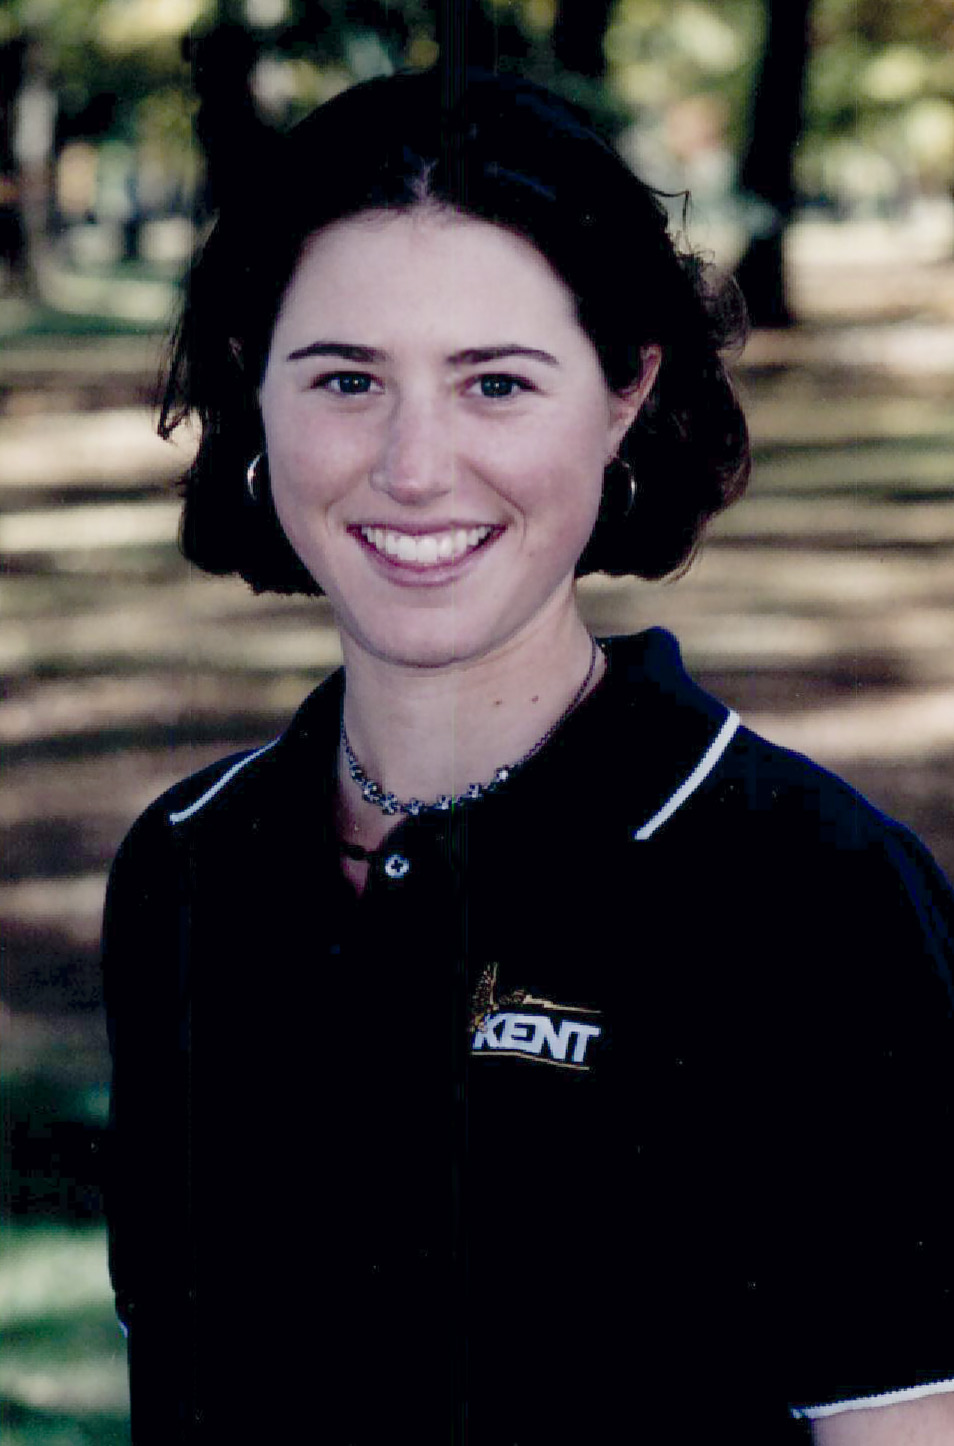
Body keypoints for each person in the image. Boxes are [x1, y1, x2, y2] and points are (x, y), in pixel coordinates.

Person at [101, 68, 954, 1445]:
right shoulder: (187, 869)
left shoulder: (816, 894)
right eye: (346, 379)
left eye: (495, 382)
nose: (414, 464)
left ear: (623, 395)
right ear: (254, 386)